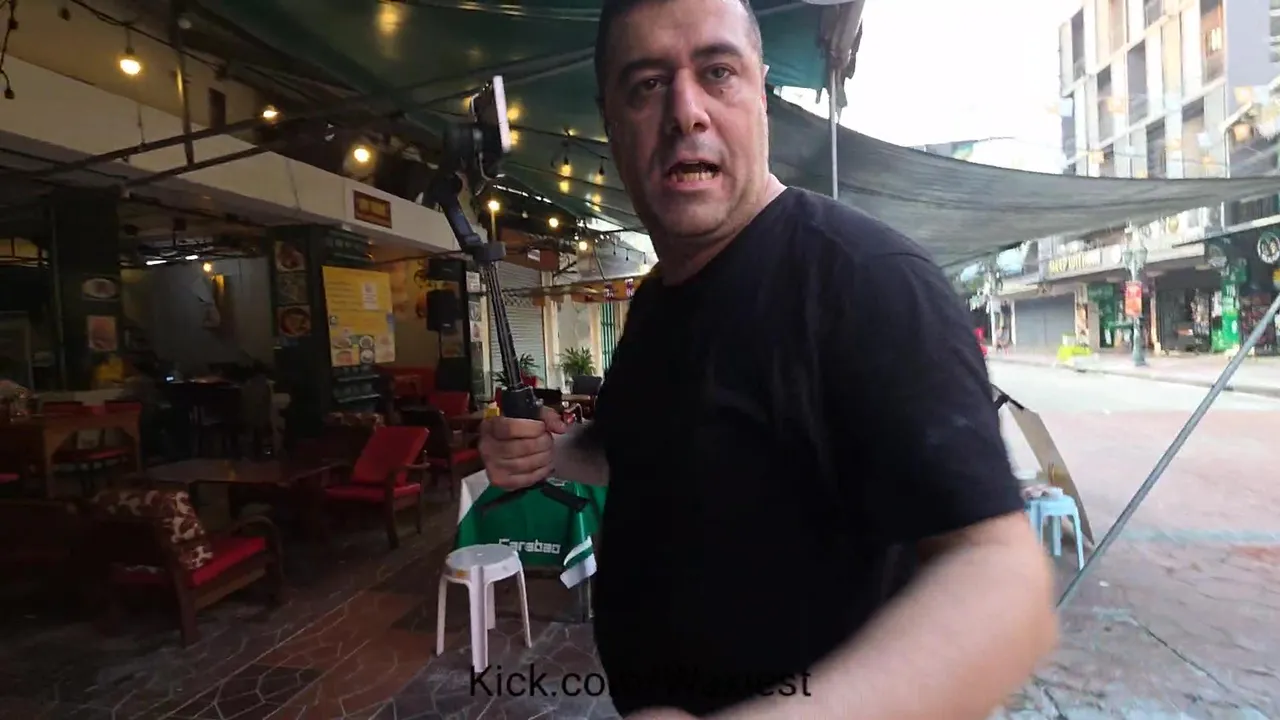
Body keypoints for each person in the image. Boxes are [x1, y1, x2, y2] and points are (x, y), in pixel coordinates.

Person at [478, 0, 1059, 716]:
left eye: (717, 72)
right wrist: (548, 452)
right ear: (611, 122)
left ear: (762, 95)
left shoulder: (868, 280)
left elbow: (1002, 579)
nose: (685, 111)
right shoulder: (655, 301)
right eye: (647, 84)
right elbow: (637, 453)